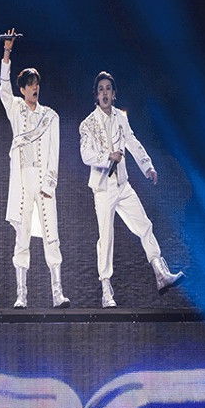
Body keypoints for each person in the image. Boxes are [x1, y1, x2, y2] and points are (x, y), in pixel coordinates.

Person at [78, 70, 183, 307]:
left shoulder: (120, 118)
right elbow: (85, 155)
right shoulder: (88, 124)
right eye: (101, 89)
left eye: (108, 89)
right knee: (106, 237)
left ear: (114, 94)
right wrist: (108, 156)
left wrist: (147, 166)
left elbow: (132, 142)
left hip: (122, 184)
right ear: (96, 95)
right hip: (103, 188)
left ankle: (160, 272)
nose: (105, 93)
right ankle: (106, 289)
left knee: (144, 225)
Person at [0, 29, 68, 308]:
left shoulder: (50, 116)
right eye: (29, 84)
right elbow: (3, 87)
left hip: (43, 180)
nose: (34, 88)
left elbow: (54, 152)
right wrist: (7, 52)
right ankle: (22, 294)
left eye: (36, 83)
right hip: (22, 181)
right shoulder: (15, 108)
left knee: (51, 234)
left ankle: (57, 292)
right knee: (22, 236)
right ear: (23, 89)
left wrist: (50, 183)